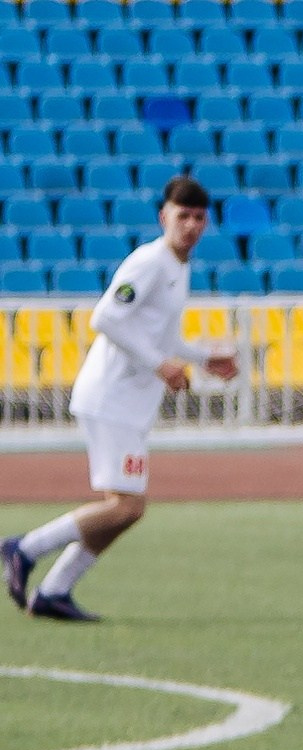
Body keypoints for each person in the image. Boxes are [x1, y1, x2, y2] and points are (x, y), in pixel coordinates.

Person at [5, 177, 237, 622]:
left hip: (129, 402)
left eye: (198, 218)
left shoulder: (176, 266)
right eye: (182, 215)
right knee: (126, 505)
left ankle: (53, 592)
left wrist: (205, 358)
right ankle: (25, 548)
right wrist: (159, 364)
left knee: (126, 511)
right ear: (163, 216)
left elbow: (161, 334)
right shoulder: (150, 262)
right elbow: (106, 317)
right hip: (111, 396)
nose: (190, 225)